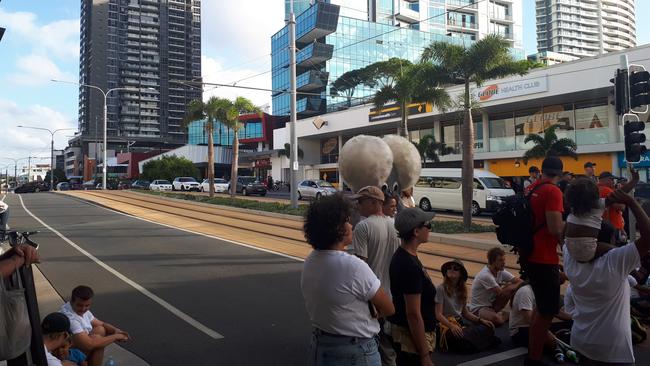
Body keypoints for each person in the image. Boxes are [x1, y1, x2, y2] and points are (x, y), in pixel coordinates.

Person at [301, 194, 395, 366]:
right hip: (355, 352)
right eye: (347, 221)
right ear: (338, 228)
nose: (351, 225)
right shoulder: (353, 266)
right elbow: (389, 308)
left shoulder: (310, 261)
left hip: (320, 346)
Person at [563, 189, 650, 365]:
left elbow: (567, 232)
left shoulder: (569, 256)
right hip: (612, 350)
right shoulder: (615, 260)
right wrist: (631, 202)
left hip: (580, 341)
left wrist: (582, 206)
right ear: (608, 240)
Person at [352, 186, 401, 366]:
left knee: (372, 342)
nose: (357, 205)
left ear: (374, 203)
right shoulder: (395, 225)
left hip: (372, 296)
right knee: (389, 343)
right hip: (392, 295)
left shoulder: (363, 227)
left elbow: (360, 266)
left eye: (360, 201)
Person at [524, 156, 565, 366]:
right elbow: (555, 228)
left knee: (540, 309)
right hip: (544, 257)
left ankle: (533, 353)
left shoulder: (531, 188)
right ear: (560, 172)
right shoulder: (553, 191)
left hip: (529, 255)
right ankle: (534, 359)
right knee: (547, 311)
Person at [389, 207, 436, 366]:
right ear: (416, 231)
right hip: (411, 344)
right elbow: (413, 314)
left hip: (411, 339)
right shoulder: (408, 265)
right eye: (427, 225)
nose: (430, 228)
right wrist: (424, 355)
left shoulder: (407, 256)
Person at [564, 173, 639, 263]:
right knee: (619, 253)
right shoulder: (597, 205)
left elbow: (563, 230)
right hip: (588, 251)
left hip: (570, 249)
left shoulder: (572, 208)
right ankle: (635, 272)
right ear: (594, 195)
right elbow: (620, 193)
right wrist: (634, 180)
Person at [434, 259, 495, 353]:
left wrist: (480, 320)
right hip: (445, 324)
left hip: (459, 323)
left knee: (487, 327)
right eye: (449, 268)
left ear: (460, 274)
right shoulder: (440, 289)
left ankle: (473, 342)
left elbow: (465, 313)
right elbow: (438, 314)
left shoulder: (461, 290)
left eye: (456, 268)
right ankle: (478, 342)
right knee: (460, 338)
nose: (451, 269)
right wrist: (451, 326)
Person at [60, 286, 129, 366]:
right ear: (72, 302)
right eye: (80, 305)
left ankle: (90, 361)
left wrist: (115, 330)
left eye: (87, 305)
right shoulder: (70, 318)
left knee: (100, 329)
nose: (83, 309)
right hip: (64, 355)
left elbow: (101, 324)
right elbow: (89, 344)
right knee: (97, 340)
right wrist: (116, 336)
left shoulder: (81, 310)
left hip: (73, 347)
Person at [509, 278, 571, 359]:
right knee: (548, 344)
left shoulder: (543, 290)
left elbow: (556, 312)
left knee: (572, 325)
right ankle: (556, 344)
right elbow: (529, 319)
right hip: (521, 330)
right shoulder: (525, 291)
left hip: (538, 326)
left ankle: (558, 342)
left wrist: (576, 320)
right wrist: (546, 332)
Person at [468, 247, 521, 326]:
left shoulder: (501, 271)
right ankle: (508, 315)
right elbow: (501, 293)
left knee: (512, 287)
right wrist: (510, 286)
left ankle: (504, 314)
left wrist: (512, 286)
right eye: (500, 260)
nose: (504, 263)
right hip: (479, 308)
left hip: (492, 305)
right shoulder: (485, 275)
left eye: (504, 260)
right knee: (498, 321)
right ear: (492, 262)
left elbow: (520, 282)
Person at [598, 171, 638, 245]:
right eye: (611, 179)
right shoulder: (607, 190)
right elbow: (621, 207)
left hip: (603, 226)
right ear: (605, 180)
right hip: (613, 227)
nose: (613, 182)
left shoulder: (596, 189)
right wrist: (622, 197)